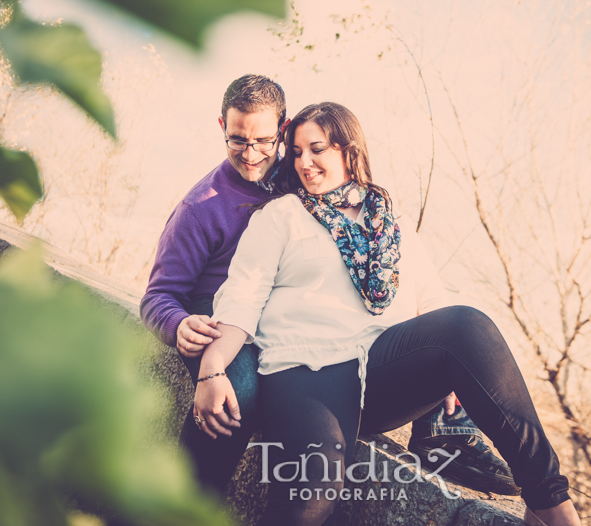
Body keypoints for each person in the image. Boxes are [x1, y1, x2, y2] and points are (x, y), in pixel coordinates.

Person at [194, 102, 583, 526]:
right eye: (297, 151)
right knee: (313, 499)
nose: (304, 162)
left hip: (379, 366)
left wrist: (454, 373)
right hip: (306, 369)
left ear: (348, 149)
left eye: (317, 149)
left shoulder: (391, 220)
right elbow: (242, 297)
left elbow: (433, 300)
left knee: (467, 324)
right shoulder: (281, 215)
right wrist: (212, 368)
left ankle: (549, 501)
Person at [139, 76, 516, 496]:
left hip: (288, 307)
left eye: (264, 140)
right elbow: (158, 295)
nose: (251, 153)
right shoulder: (202, 206)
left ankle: (442, 428)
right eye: (237, 140)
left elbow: (367, 239)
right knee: (239, 396)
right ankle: (181, 500)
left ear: (282, 129)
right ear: (222, 128)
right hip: (222, 312)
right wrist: (177, 324)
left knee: (426, 326)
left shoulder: (302, 171)